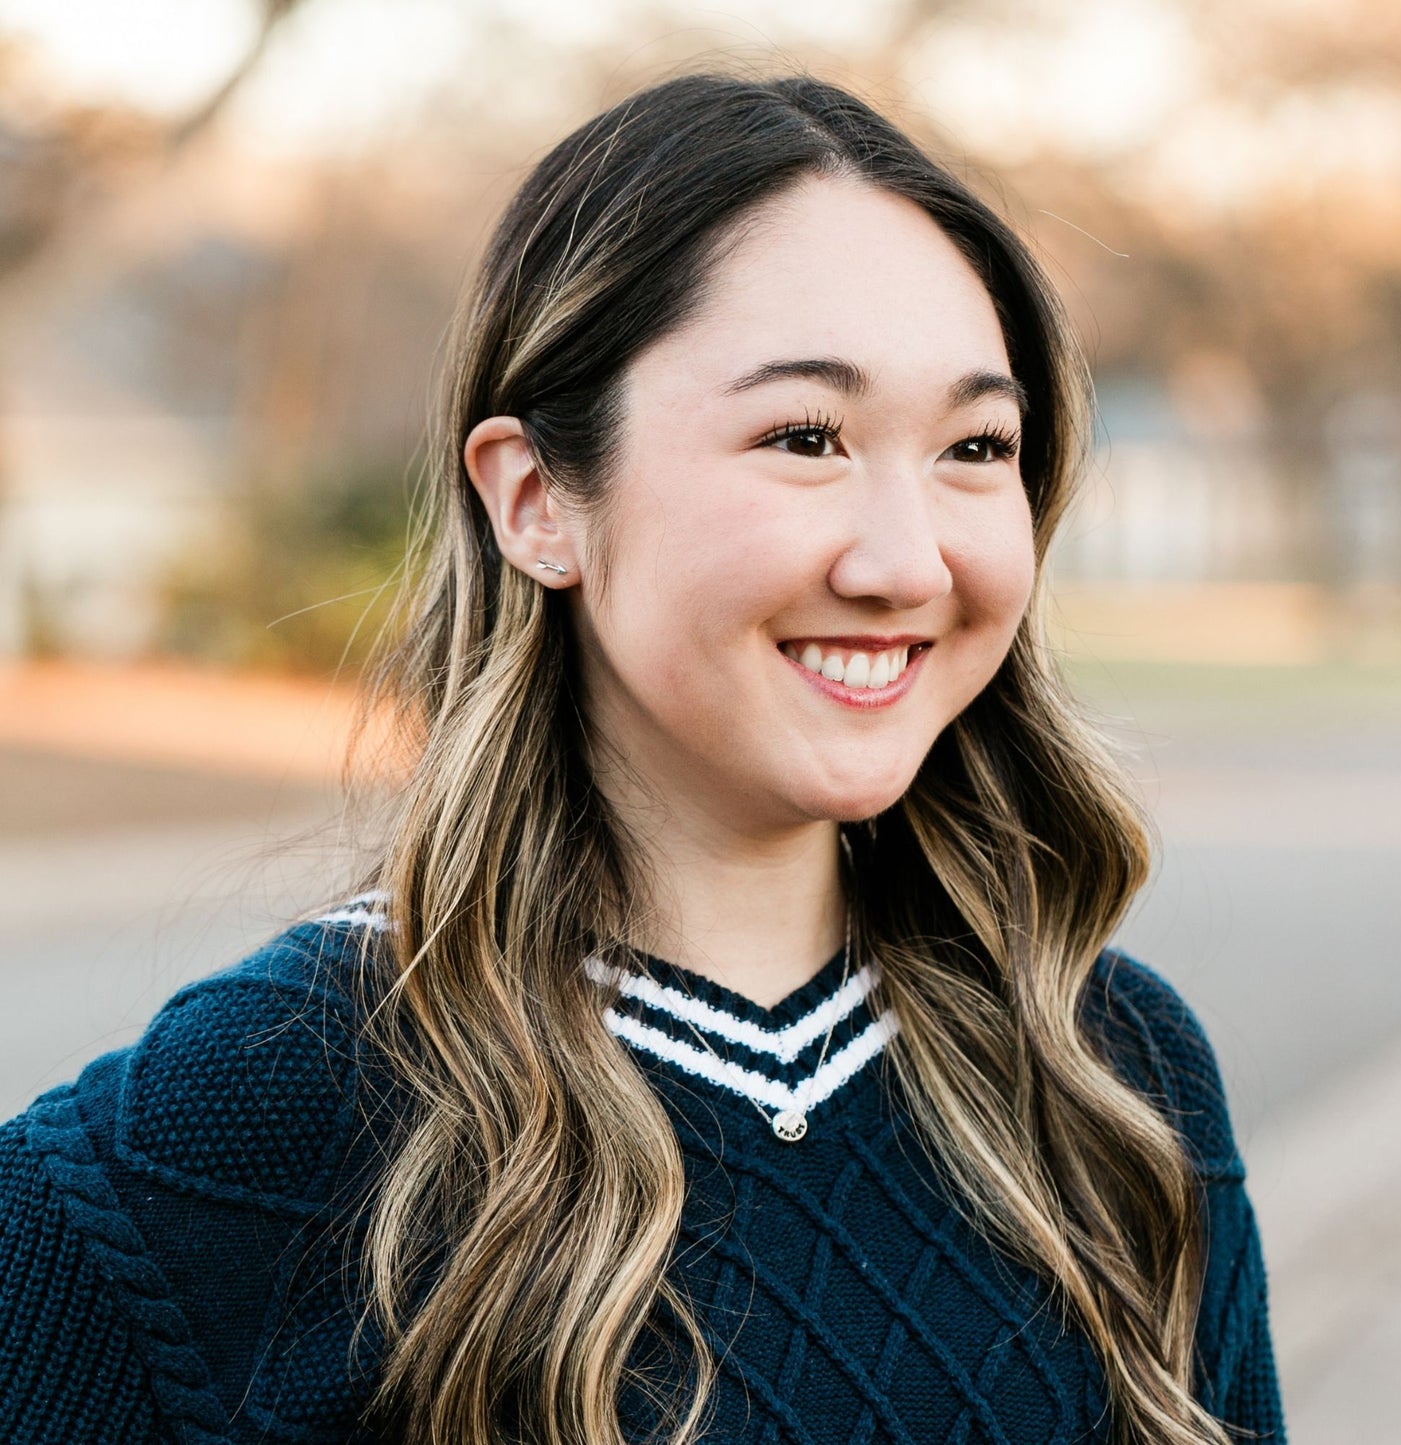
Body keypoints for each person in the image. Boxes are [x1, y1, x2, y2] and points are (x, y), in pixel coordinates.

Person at [0, 72, 1285, 1445]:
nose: (909, 558)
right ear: (536, 498)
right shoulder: (241, 1118)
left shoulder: (1114, 1077)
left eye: (976, 446)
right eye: (806, 437)